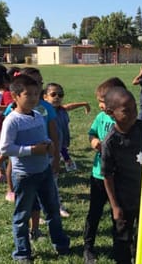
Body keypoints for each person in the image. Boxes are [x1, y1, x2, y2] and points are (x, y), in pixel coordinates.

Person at [0, 74, 70, 261]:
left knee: (52, 210)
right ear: (15, 96)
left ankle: (60, 243)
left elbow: (43, 137)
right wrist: (32, 150)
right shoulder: (12, 120)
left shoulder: (38, 116)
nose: (33, 98)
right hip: (24, 175)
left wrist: (48, 144)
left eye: (36, 94)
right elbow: (5, 148)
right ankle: (22, 252)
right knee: (22, 215)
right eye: (28, 94)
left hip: (44, 171)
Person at [102, 86, 142, 264]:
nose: (133, 114)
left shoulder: (140, 128)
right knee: (123, 234)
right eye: (126, 111)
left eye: (134, 109)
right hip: (123, 198)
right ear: (110, 112)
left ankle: (139, 256)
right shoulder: (111, 142)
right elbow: (107, 176)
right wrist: (115, 206)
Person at [83, 77, 126, 263]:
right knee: (94, 212)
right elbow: (92, 132)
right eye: (99, 101)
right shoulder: (100, 118)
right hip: (99, 175)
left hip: (120, 177)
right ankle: (88, 247)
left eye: (102, 101)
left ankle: (120, 247)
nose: (100, 105)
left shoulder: (126, 119)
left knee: (118, 214)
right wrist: (93, 141)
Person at [42, 82, 90, 218]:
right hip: (47, 151)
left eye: (60, 94)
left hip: (59, 149)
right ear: (45, 97)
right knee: (48, 182)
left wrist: (84, 104)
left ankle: (55, 206)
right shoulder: (43, 113)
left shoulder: (61, 110)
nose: (57, 97)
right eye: (53, 94)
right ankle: (52, 207)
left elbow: (70, 106)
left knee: (53, 181)